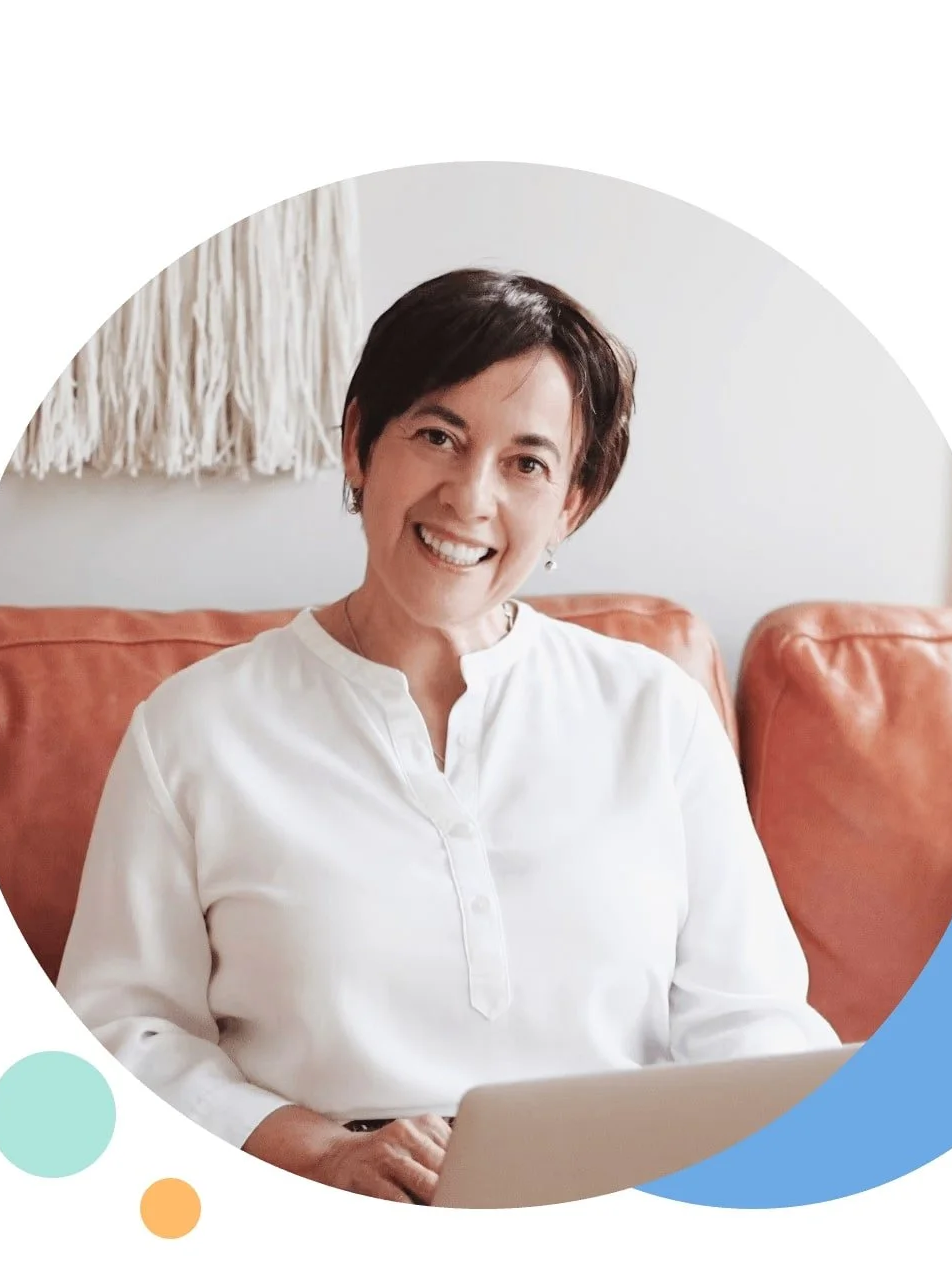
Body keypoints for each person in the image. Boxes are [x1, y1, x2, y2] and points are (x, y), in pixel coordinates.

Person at [56, 268, 838, 1206]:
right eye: (437, 436)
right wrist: (310, 1148)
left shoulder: (654, 712)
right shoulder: (194, 728)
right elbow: (118, 1028)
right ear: (359, 446)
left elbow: (753, 1024)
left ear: (571, 507)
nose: (469, 497)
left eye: (527, 463)